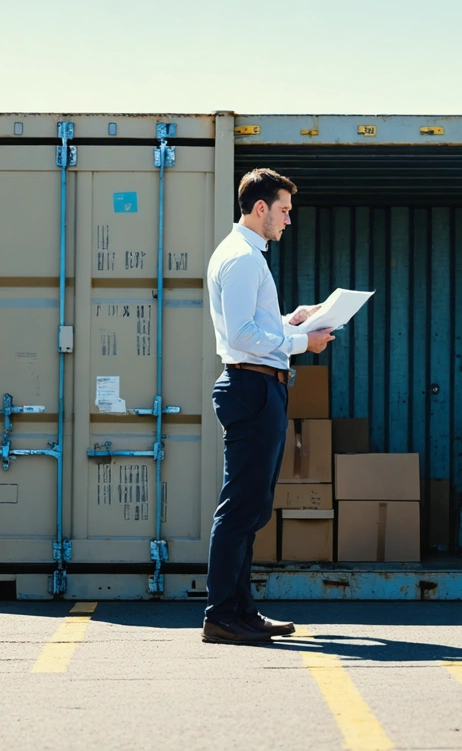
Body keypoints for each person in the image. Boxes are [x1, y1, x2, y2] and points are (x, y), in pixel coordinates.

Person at [202, 168, 334, 644]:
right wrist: (303, 340)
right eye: (284, 211)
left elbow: (255, 327)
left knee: (252, 507)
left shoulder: (245, 256)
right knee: (241, 508)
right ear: (260, 208)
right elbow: (240, 338)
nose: (287, 220)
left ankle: (240, 610)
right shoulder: (241, 260)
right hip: (252, 388)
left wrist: (290, 319)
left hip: (259, 386)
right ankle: (221, 614)